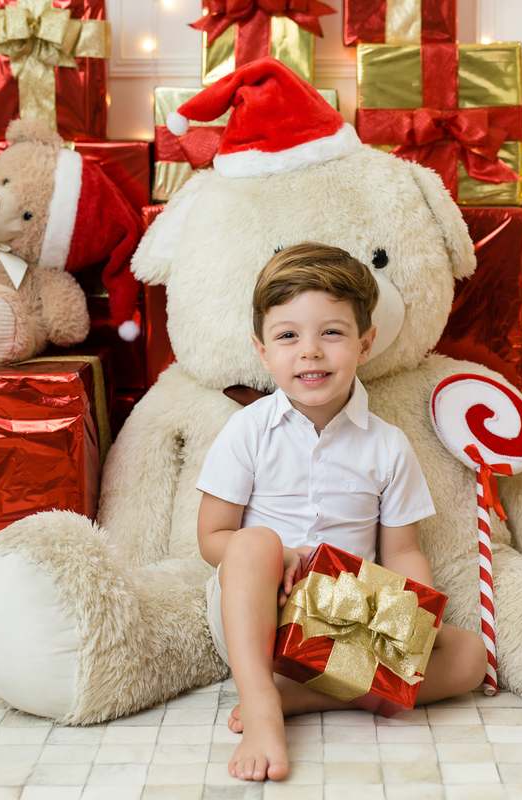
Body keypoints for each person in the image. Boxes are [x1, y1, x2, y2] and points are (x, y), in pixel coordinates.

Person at [196, 242, 488, 782]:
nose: (310, 352)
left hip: (347, 621)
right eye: (288, 336)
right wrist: (282, 554)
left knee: (468, 656)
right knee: (254, 542)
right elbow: (212, 536)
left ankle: (301, 696)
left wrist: (414, 620)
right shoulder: (247, 431)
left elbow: (403, 550)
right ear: (262, 351)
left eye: (331, 332)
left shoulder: (388, 445)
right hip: (258, 614)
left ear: (365, 343)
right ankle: (261, 705)